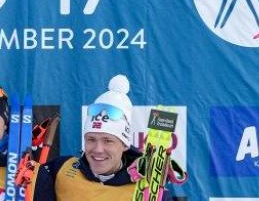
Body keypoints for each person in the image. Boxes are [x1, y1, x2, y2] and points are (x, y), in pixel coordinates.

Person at [32, 74, 174, 201]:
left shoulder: (147, 187)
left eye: (108, 141)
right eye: (91, 139)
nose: (98, 149)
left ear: (124, 145)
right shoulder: (61, 168)